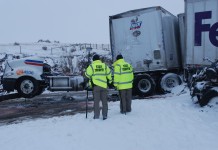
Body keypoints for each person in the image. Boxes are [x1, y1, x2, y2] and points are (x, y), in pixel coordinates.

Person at [85, 54, 112, 120]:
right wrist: (110, 82)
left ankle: (96, 116)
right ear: (99, 59)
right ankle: (105, 115)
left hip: (96, 87)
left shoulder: (91, 66)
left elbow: (87, 75)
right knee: (104, 102)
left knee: (96, 102)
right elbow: (109, 75)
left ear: (93, 60)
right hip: (104, 86)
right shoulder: (104, 66)